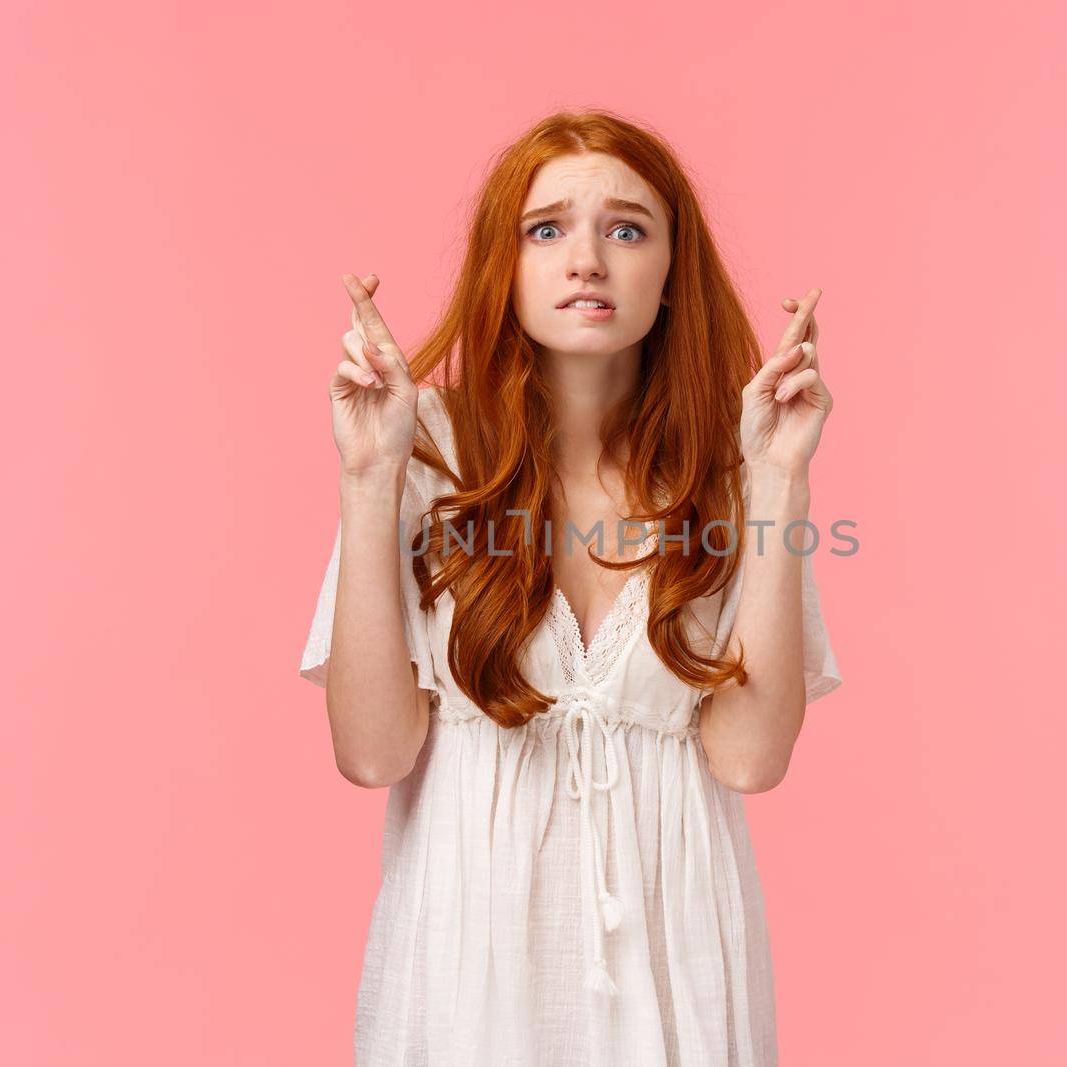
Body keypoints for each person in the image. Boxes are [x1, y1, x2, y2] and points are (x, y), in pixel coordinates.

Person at [299, 109, 843, 1066]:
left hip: (679, 963)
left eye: (626, 228)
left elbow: (752, 760)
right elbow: (373, 751)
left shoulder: (731, 467)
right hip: (469, 967)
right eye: (546, 229)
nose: (585, 258)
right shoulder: (424, 448)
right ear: (501, 270)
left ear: (673, 274)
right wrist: (367, 477)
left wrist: (780, 479)